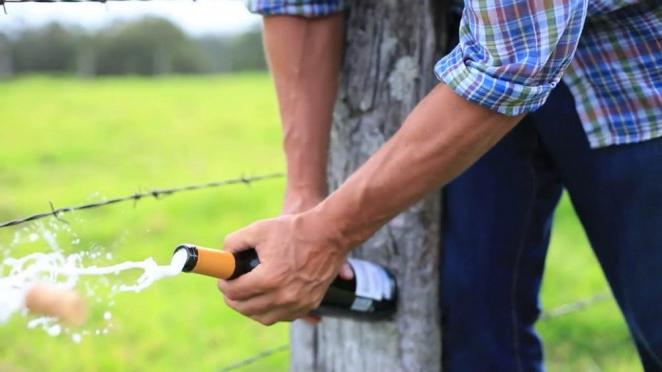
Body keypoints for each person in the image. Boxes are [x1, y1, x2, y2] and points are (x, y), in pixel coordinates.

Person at [217, 0, 662, 370]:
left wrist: (327, 233)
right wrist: (303, 196)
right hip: (475, 48)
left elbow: (510, 62)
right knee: (468, 335)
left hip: (634, 54)